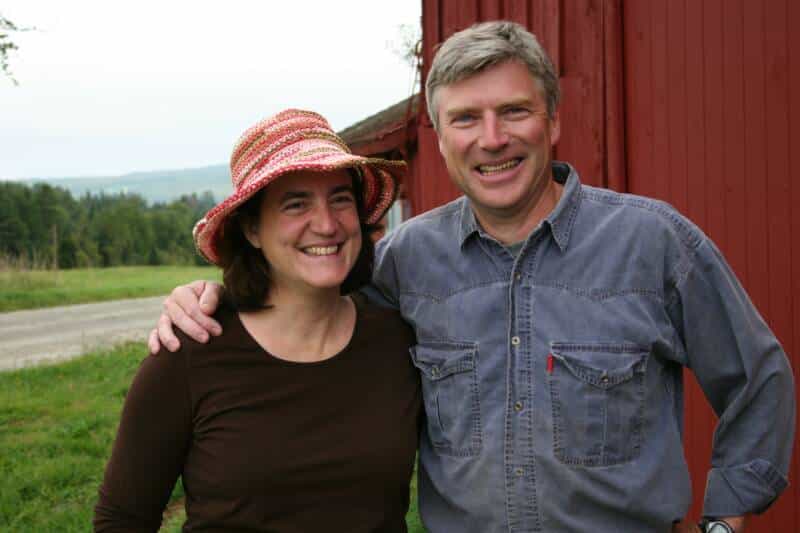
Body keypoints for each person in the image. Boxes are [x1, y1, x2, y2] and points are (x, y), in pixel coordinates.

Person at [149, 22, 795, 533]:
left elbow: (759, 377)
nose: (492, 138)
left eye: (513, 111)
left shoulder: (653, 244)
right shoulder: (405, 261)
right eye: (465, 118)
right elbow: (307, 310)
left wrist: (722, 521)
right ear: (439, 137)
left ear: (553, 121)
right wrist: (215, 297)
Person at [94, 109, 421, 532]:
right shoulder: (192, 352)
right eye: (296, 204)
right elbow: (122, 520)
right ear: (251, 229)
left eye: (340, 198)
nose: (326, 224)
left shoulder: (397, 341)